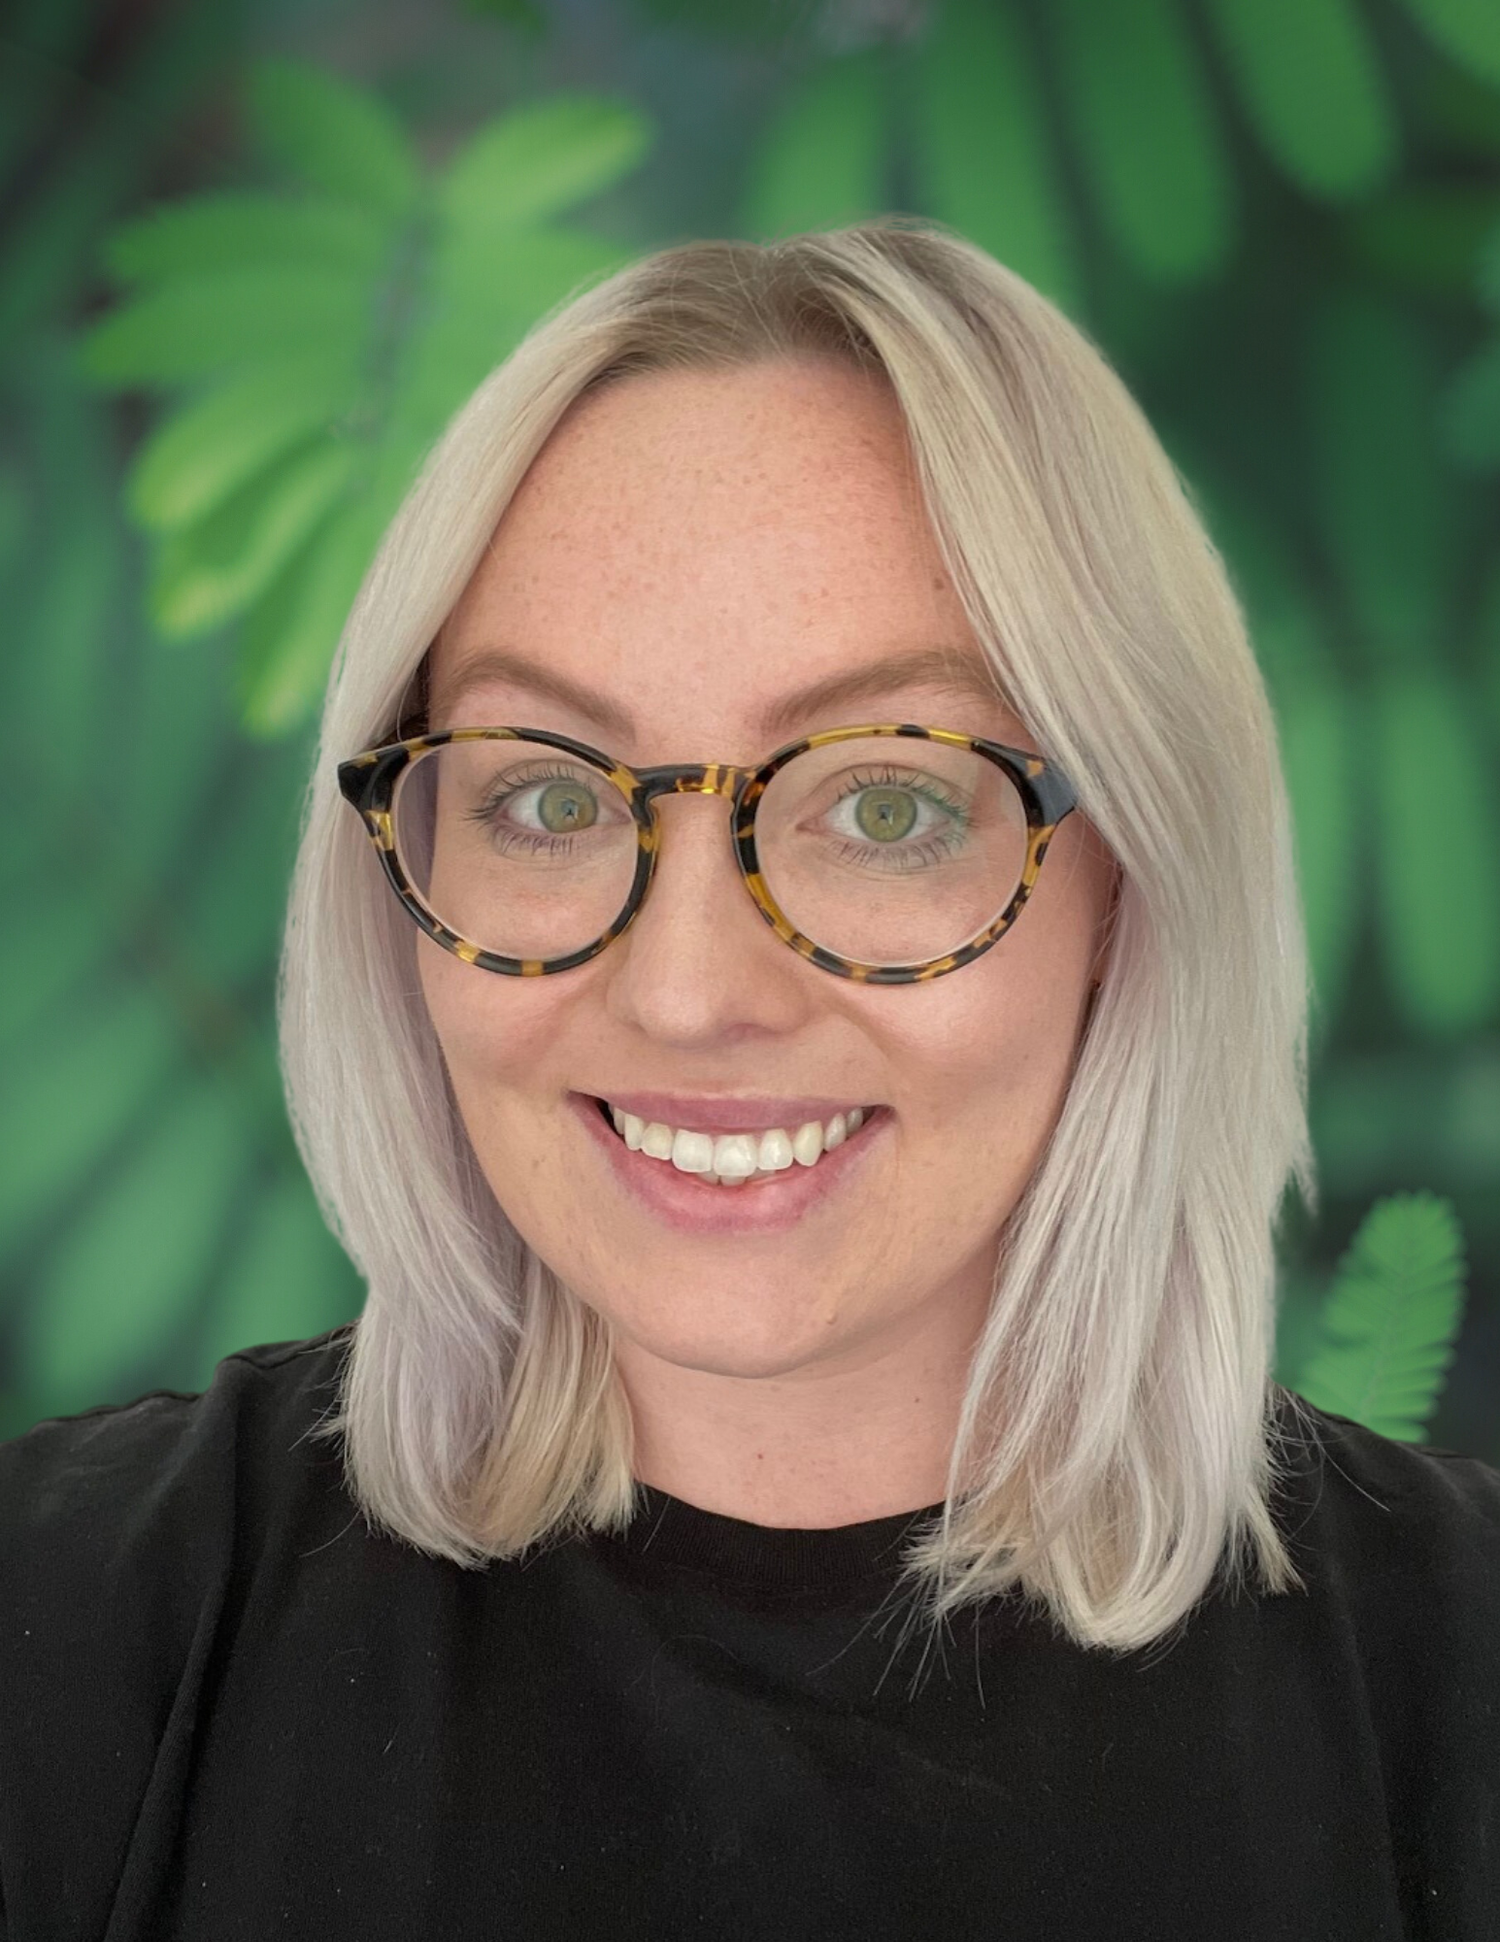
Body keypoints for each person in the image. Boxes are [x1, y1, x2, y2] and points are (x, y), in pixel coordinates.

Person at [3, 219, 1497, 1941]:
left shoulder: (1457, 1690)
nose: (692, 992)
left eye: (885, 803)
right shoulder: (66, 1635)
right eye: (552, 798)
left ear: (1131, 887)